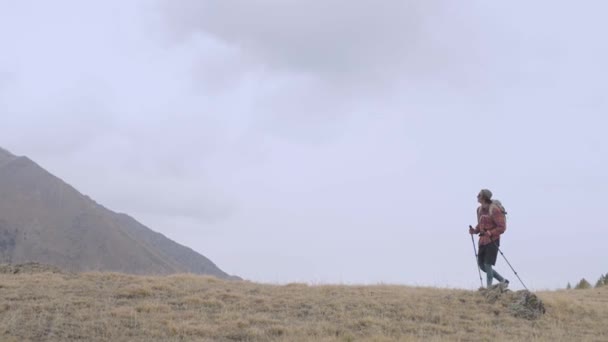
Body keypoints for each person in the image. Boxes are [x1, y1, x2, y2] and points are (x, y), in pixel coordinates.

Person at [469, 189, 509, 288]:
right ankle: (503, 281)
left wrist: (490, 232)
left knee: (488, 264)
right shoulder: (479, 210)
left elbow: (502, 227)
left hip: (493, 240)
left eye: (479, 195)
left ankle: (489, 288)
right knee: (481, 265)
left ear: (484, 197)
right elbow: (480, 224)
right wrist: (474, 231)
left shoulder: (494, 209)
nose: (477, 196)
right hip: (482, 241)